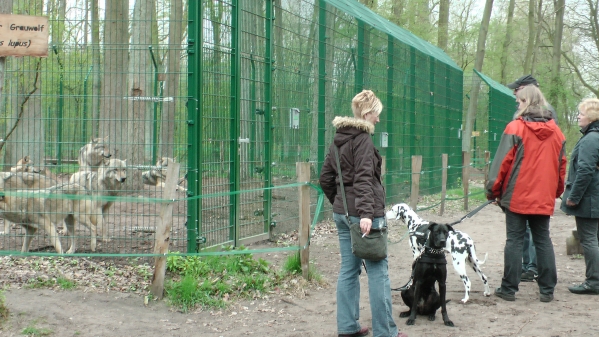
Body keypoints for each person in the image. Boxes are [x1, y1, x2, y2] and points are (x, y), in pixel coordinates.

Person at [319, 90, 407, 337]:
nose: (378, 120)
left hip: (344, 214)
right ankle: (385, 332)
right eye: (377, 114)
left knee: (349, 269)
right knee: (378, 271)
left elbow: (325, 178)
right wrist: (366, 213)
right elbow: (364, 179)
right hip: (365, 216)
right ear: (368, 113)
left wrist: (340, 203)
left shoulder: (338, 139)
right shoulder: (364, 140)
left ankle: (348, 327)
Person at [485, 85, 566, 303]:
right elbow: (561, 166)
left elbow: (502, 162)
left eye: (519, 101)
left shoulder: (515, 128)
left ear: (526, 102)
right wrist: (556, 191)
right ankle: (547, 289)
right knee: (543, 240)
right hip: (543, 196)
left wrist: (492, 191)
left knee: (514, 240)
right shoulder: (557, 133)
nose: (517, 104)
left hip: (517, 196)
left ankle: (509, 289)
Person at [507, 74, 559, 283]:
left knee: (521, 236)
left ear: (528, 92)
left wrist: (496, 188)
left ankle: (525, 272)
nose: (514, 94)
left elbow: (509, 157)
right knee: (537, 235)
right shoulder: (547, 119)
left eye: (517, 90)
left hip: (526, 184)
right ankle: (537, 276)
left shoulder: (525, 121)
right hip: (541, 184)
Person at [560, 98, 599, 295]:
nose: (578, 117)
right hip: (595, 195)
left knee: (589, 239)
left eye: (581, 114)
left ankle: (594, 281)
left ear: (591, 117)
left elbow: (585, 170)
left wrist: (574, 197)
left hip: (590, 198)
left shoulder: (591, 139)